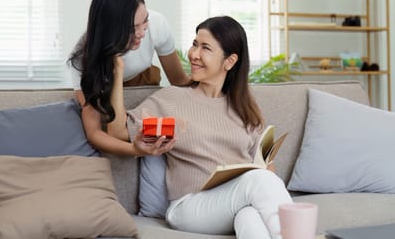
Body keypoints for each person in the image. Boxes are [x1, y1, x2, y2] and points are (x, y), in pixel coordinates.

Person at [112, 16, 293, 239]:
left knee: (248, 217)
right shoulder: (171, 99)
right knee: (258, 181)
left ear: (229, 61)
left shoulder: (244, 106)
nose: (194, 54)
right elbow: (118, 131)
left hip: (233, 204)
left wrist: (265, 171)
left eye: (205, 48)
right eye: (195, 44)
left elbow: (267, 167)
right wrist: (117, 72)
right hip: (189, 206)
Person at [67, 0, 188, 156]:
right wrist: (136, 150)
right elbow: (94, 133)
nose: (141, 33)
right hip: (106, 90)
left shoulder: (157, 25)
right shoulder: (83, 58)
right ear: (110, 30)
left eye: (144, 21)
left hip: (144, 81)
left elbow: (180, 80)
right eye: (132, 29)